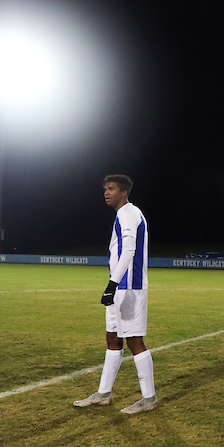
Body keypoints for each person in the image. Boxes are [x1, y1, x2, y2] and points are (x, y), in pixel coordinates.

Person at [73, 175, 158, 415]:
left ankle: (149, 399)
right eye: (105, 189)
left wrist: (112, 283)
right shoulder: (123, 214)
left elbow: (129, 249)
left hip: (128, 286)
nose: (106, 192)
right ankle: (103, 394)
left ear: (124, 192)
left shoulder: (128, 213)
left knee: (134, 340)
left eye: (111, 189)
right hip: (120, 286)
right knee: (113, 338)